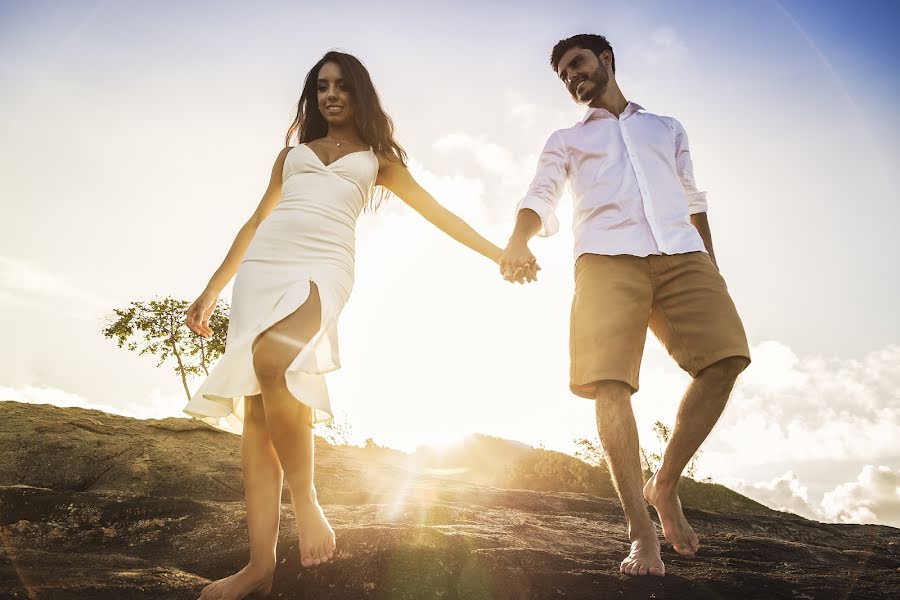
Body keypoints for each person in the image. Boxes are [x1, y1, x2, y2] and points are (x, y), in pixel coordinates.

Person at [184, 50, 502, 599]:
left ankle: (306, 502)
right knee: (258, 409)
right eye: (322, 86)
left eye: (342, 86)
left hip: (325, 265)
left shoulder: (379, 161)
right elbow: (255, 222)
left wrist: (500, 254)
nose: (331, 95)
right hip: (266, 265)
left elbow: (441, 215)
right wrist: (211, 290)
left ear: (360, 95)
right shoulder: (291, 156)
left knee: (274, 361)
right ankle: (260, 566)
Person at [499, 34, 751, 577]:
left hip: (681, 253)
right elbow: (541, 193)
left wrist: (711, 262)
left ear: (607, 60)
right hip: (605, 259)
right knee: (608, 383)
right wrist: (519, 239)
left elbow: (691, 196)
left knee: (727, 358)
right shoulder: (566, 139)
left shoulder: (666, 127)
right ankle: (641, 534)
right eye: (563, 74)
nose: (572, 77)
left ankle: (664, 484)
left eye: (578, 65)